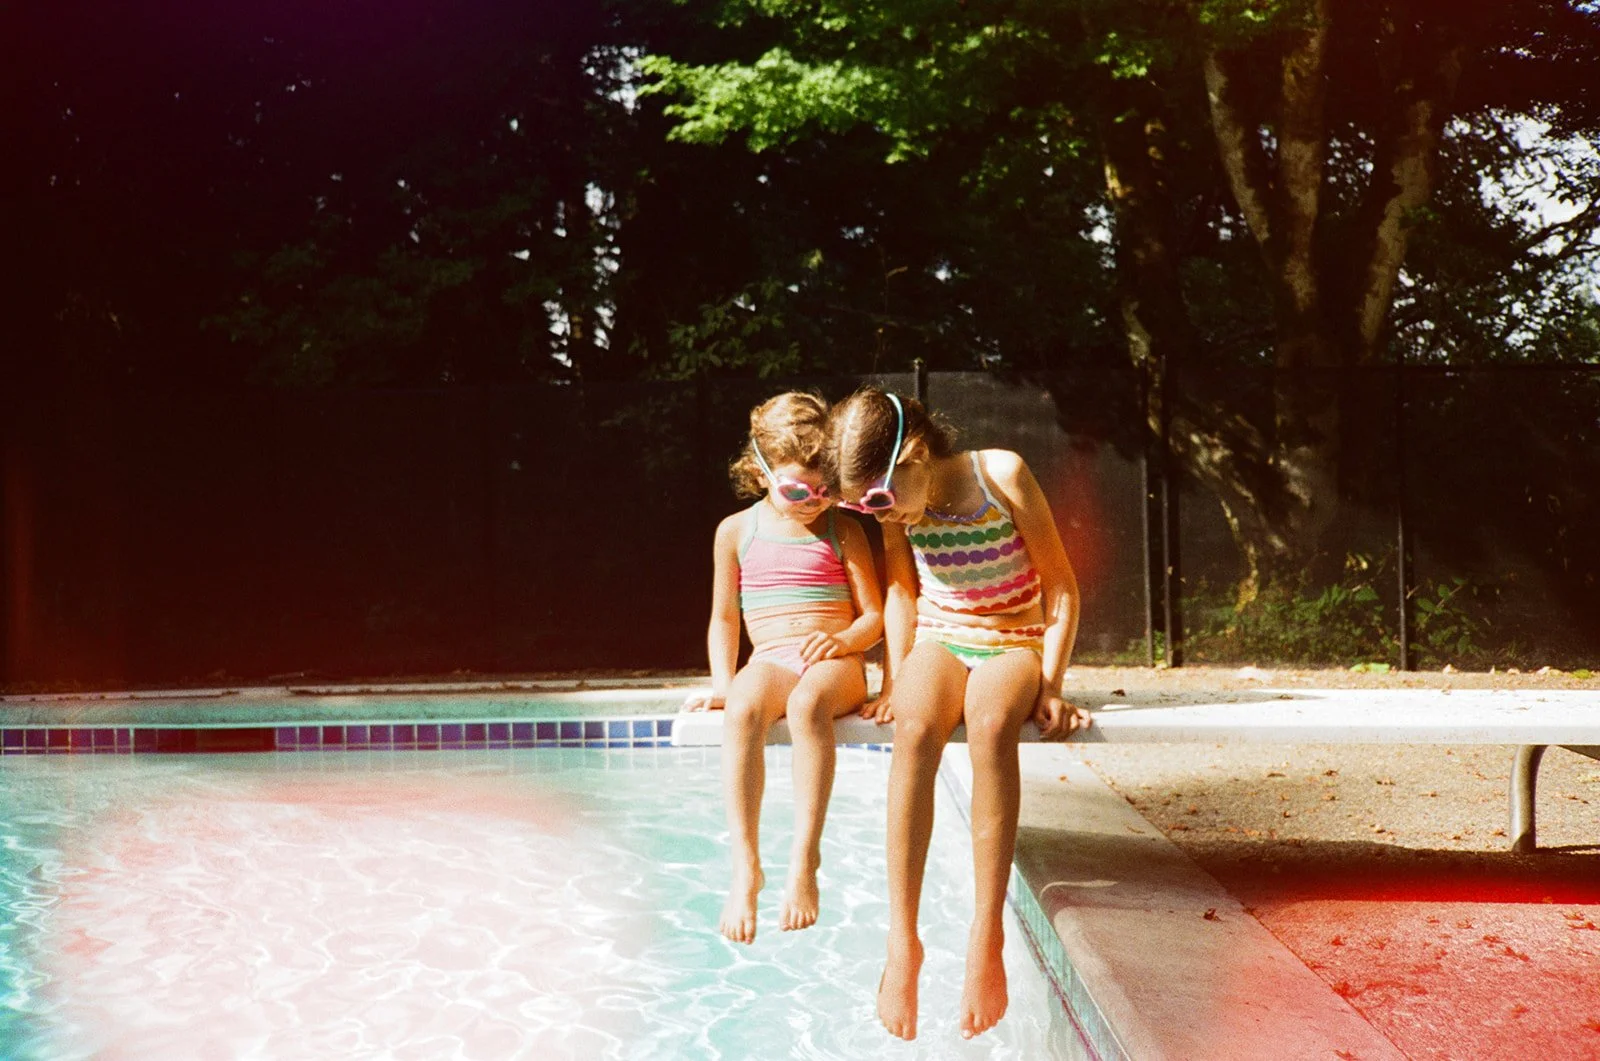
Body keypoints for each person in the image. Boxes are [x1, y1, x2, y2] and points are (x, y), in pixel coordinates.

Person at [826, 387, 1090, 1041]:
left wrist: (1051, 684)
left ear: (915, 454)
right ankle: (902, 940)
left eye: (877, 500)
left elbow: (1060, 585)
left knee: (992, 723)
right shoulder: (897, 507)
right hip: (941, 636)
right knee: (914, 727)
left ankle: (986, 931)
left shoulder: (1000, 475)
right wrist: (895, 677)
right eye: (861, 506)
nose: (876, 514)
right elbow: (902, 592)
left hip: (1013, 637)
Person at [683, 391, 884, 945]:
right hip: (771, 656)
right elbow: (725, 618)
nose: (813, 502)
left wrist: (843, 640)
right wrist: (723, 684)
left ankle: (804, 858)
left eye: (825, 490)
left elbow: (874, 617)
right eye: (797, 490)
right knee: (744, 709)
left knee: (807, 705)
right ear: (760, 472)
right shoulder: (736, 531)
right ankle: (746, 865)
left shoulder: (843, 529)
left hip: (835, 661)